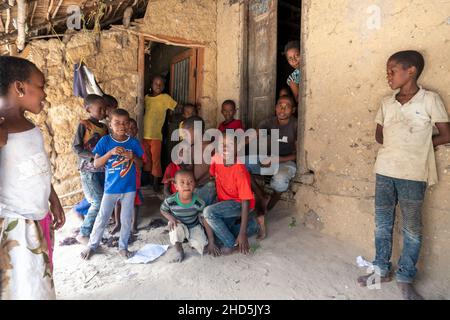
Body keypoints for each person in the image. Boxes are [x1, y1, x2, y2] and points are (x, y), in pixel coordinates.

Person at [357, 50, 450, 300]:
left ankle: (406, 276)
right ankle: (381, 268)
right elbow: (379, 135)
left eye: (392, 71)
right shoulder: (387, 103)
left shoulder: (430, 99)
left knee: (412, 227)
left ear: (411, 71)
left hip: (413, 173)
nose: (388, 76)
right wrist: (398, 143)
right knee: (382, 224)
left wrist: (418, 143)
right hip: (385, 171)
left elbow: (446, 133)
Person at [0, 56, 65, 299]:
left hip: (38, 219)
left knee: (39, 281)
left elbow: (37, 167)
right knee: (22, 287)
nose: (45, 94)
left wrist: (54, 198)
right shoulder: (2, 129)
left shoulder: (29, 126)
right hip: (16, 226)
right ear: (19, 87)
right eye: (41, 86)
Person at [80, 109, 144, 260]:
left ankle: (123, 247)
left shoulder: (133, 143)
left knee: (126, 218)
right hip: (111, 188)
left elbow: (141, 164)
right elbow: (96, 163)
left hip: (129, 188)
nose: (121, 125)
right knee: (102, 217)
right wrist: (110, 153)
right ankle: (92, 245)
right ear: (110, 124)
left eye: (125, 122)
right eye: (117, 122)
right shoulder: (105, 141)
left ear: (129, 124)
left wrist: (133, 156)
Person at [203, 131, 261, 255]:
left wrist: (242, 233)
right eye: (222, 144)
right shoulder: (216, 158)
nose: (225, 147)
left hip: (239, 204)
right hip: (225, 203)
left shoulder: (239, 170)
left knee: (208, 212)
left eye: (230, 144)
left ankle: (231, 244)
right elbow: (212, 177)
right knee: (218, 230)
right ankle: (254, 225)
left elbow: (245, 201)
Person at [245, 95, 298, 222]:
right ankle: (261, 195)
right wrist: (235, 147)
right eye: (280, 105)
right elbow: (253, 136)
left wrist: (276, 160)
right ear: (275, 107)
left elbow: (298, 154)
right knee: (240, 164)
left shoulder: (296, 125)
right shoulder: (269, 122)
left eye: (287, 107)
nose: (282, 109)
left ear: (293, 110)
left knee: (280, 181)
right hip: (268, 159)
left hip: (286, 161)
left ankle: (271, 202)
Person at [160, 169, 219, 262]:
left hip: (193, 226)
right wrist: (171, 219)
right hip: (179, 225)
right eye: (182, 182)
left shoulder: (198, 202)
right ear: (176, 186)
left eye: (190, 182)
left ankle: (191, 241)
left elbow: (205, 219)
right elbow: (163, 210)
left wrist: (211, 241)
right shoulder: (170, 201)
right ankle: (179, 250)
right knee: (174, 229)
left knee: (202, 247)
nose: (186, 185)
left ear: (194, 184)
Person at [72, 94, 108, 245]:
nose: (103, 111)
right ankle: (83, 233)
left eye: (104, 109)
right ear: (88, 109)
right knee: (98, 201)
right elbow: (76, 147)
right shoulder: (84, 125)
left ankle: (86, 220)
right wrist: (93, 156)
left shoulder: (105, 128)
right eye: (100, 108)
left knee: (99, 199)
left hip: (101, 170)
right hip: (89, 170)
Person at [142, 76, 178, 192]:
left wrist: (189, 111)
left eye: (161, 84)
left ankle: (156, 183)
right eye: (156, 83)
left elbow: (177, 107)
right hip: (143, 135)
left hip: (156, 136)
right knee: (146, 159)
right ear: (151, 84)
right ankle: (148, 180)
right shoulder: (146, 98)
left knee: (156, 159)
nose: (158, 86)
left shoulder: (165, 98)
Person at [111, 118, 146, 234]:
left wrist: (133, 156)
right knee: (118, 202)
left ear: (137, 130)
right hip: (120, 178)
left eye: (134, 128)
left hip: (134, 178)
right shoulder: (116, 144)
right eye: (129, 128)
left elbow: (141, 163)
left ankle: (134, 223)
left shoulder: (137, 145)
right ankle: (117, 223)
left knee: (135, 202)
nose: (131, 130)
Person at [181, 116, 217, 207]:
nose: (184, 137)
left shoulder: (209, 147)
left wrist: (196, 182)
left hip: (207, 186)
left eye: (186, 134)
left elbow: (212, 171)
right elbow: (189, 169)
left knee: (189, 209)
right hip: (197, 185)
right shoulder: (193, 148)